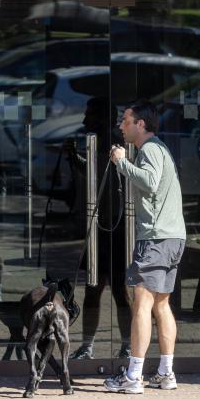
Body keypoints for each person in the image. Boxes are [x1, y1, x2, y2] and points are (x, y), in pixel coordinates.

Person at [104, 100, 185, 394]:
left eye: (126, 120)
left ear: (141, 124)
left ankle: (133, 376)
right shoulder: (160, 148)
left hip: (155, 238)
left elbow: (150, 183)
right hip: (173, 237)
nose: (120, 125)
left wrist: (121, 162)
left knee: (142, 303)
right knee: (161, 304)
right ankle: (166, 373)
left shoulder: (149, 149)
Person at [64, 96, 132, 360]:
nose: (84, 120)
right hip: (102, 223)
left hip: (113, 224)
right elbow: (95, 173)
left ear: (102, 117)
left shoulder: (112, 141)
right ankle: (90, 346)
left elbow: (102, 174)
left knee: (116, 289)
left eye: (89, 115)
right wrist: (75, 158)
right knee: (95, 288)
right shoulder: (103, 140)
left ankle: (124, 346)